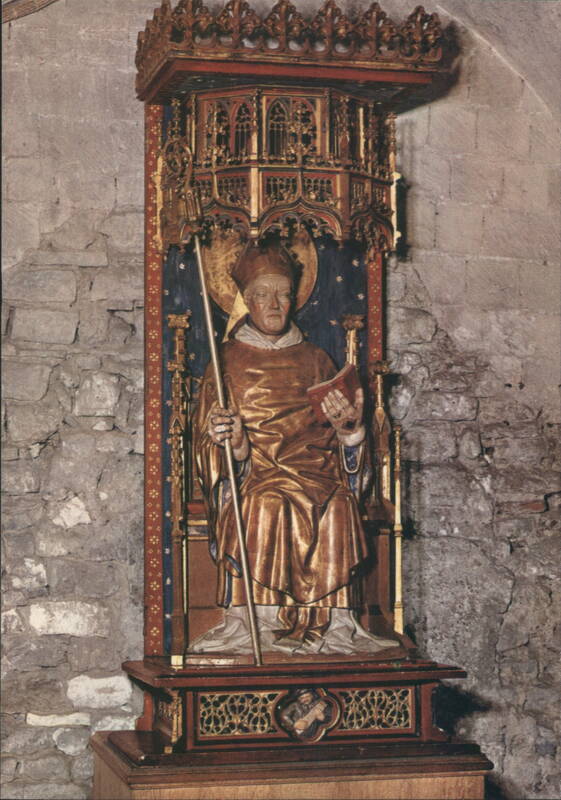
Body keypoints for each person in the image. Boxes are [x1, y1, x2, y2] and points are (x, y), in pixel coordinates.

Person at [192, 242, 397, 654]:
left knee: (340, 505)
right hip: (259, 479)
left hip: (319, 477)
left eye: (283, 294)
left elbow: (344, 442)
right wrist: (232, 444)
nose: (275, 304)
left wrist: (351, 433)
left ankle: (336, 626)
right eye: (264, 294)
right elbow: (204, 447)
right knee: (269, 503)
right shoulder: (225, 361)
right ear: (247, 300)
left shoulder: (317, 359)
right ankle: (262, 623)